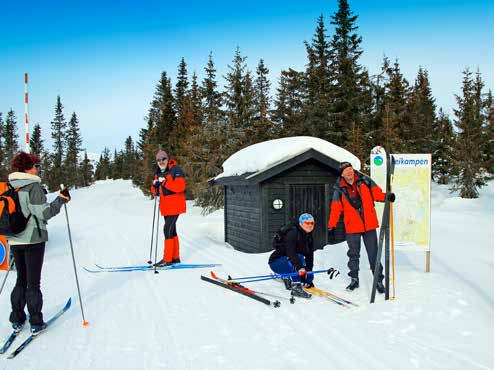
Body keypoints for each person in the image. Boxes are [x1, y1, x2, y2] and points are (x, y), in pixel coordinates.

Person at [7, 152, 70, 335]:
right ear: (27, 168)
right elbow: (44, 213)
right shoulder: (33, 186)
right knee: (33, 283)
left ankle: (17, 318)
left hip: (15, 239)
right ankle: (36, 321)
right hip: (33, 239)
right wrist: (61, 200)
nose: (38, 169)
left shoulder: (12, 186)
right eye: (36, 166)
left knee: (21, 280)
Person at [327, 161, 395, 292]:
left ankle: (378, 280)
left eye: (350, 169)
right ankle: (354, 279)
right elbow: (335, 209)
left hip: (369, 225)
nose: (349, 172)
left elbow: (377, 194)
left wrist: (387, 196)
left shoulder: (366, 181)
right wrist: (331, 226)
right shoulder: (339, 189)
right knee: (353, 254)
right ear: (342, 174)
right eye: (346, 171)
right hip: (352, 227)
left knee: (374, 253)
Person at [151, 150, 186, 267]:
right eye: (158, 160)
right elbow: (154, 191)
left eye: (163, 159)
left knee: (167, 230)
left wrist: (165, 183)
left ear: (167, 159)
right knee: (172, 230)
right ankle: (175, 257)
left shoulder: (176, 170)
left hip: (176, 205)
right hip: (165, 207)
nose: (161, 162)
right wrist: (155, 186)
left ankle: (167, 259)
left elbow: (180, 187)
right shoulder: (157, 173)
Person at [268, 213, 316, 299]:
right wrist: (300, 268)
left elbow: (310, 257)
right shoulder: (293, 233)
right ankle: (295, 288)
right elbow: (291, 253)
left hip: (290, 261)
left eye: (312, 223)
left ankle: (287, 277)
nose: (310, 225)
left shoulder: (309, 237)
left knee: (308, 277)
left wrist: (308, 276)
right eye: (307, 223)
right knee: (298, 258)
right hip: (277, 262)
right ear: (301, 223)